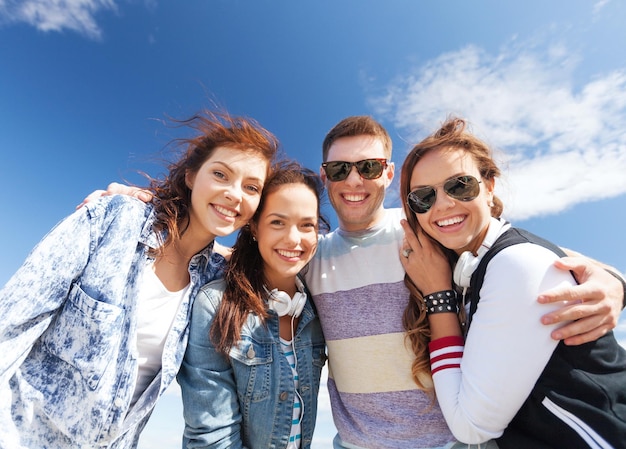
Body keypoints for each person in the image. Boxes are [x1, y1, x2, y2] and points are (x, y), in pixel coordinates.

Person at [83, 115, 626, 448]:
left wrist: (613, 281)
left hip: (452, 443)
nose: (355, 181)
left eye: (368, 167)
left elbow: (518, 254)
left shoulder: (429, 231)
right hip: (356, 444)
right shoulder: (312, 256)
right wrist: (155, 208)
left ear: (389, 174)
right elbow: (246, 251)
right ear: (326, 178)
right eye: (339, 170)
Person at [0, 110, 279, 448]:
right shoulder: (111, 220)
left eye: (251, 187)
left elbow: (296, 256)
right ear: (191, 176)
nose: (235, 194)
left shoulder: (217, 280)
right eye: (220, 174)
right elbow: (11, 324)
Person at [399, 117, 626, 448]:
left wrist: (438, 297)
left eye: (459, 185)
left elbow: (470, 426)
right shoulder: (479, 264)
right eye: (423, 197)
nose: (444, 204)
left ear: (489, 187)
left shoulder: (514, 263)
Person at [177, 161, 329, 449]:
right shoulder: (215, 305)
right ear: (254, 228)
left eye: (306, 225)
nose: (293, 239)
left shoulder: (316, 309)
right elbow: (212, 438)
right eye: (277, 222)